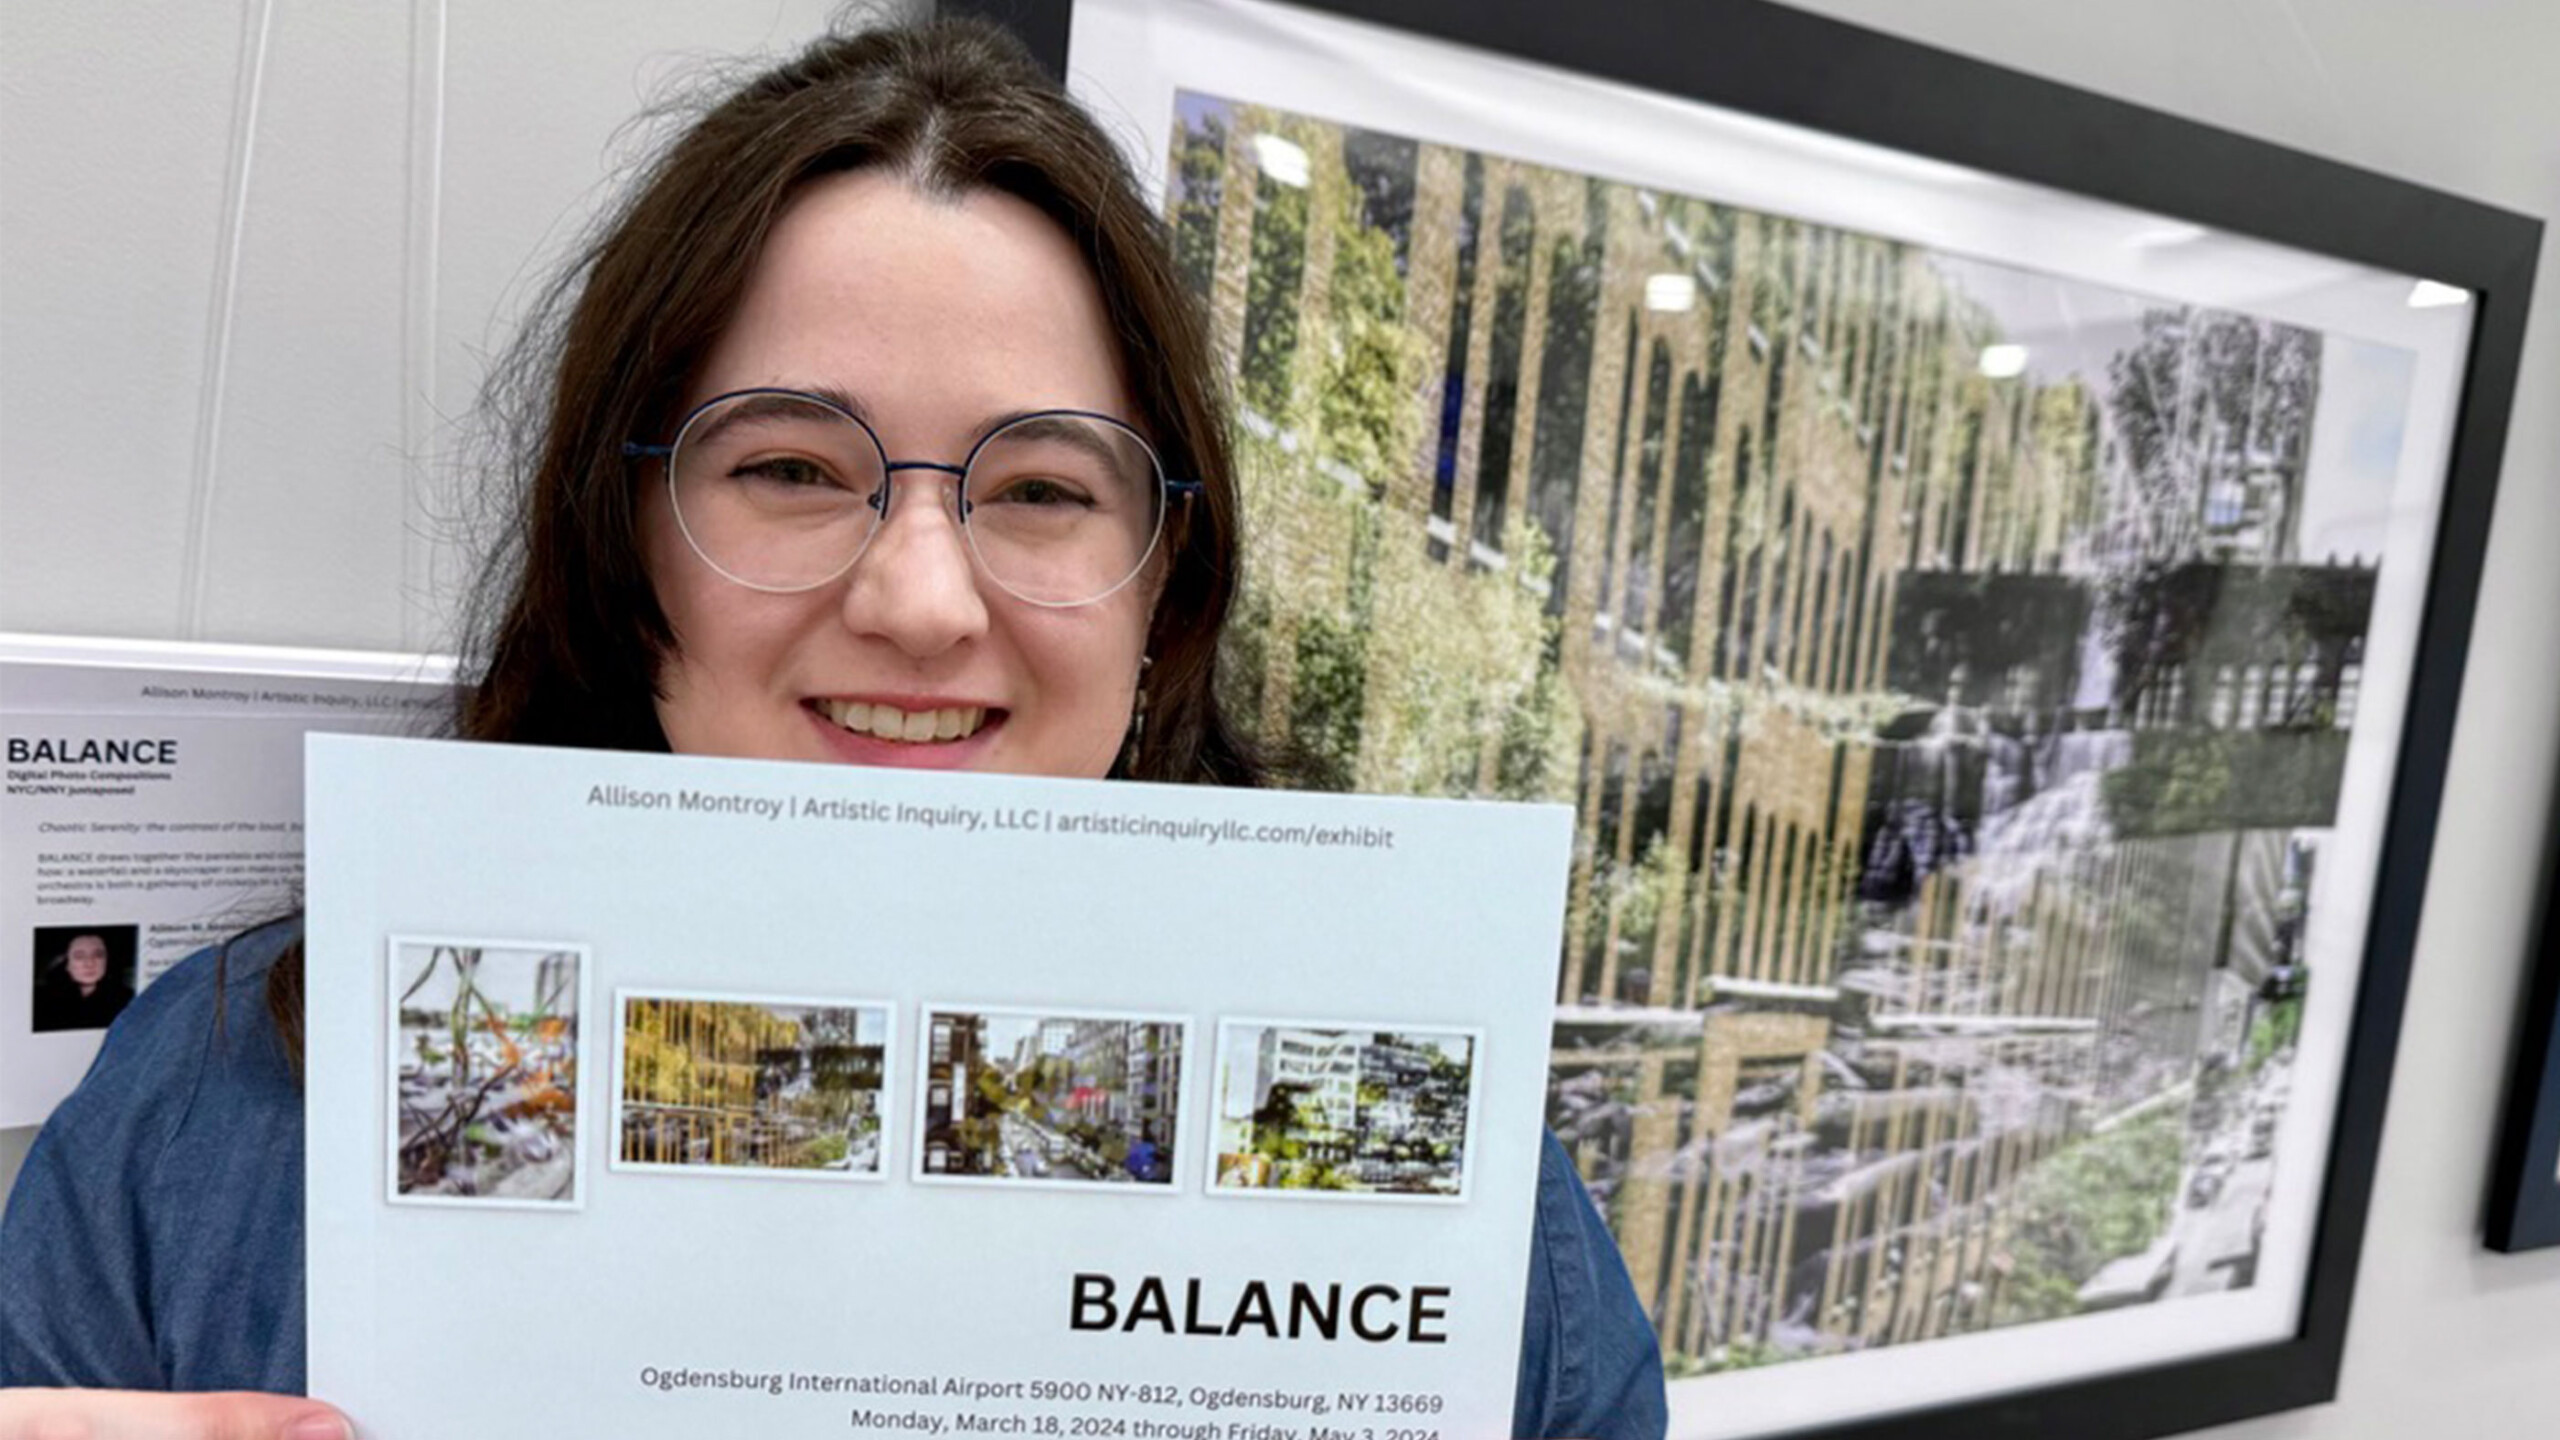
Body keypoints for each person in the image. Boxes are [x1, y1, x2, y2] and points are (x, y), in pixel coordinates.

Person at [0, 19, 1666, 1440]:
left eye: (1040, 488)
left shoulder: (1430, 1164)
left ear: (1169, 581)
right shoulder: (224, 1102)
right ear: (623, 532)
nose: (923, 599)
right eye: (791, 468)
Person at [29, 932, 132, 1034]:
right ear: (66, 963)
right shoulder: (41, 1002)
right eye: (79, 956)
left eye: (98, 955)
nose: (90, 963)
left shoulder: (127, 1000)